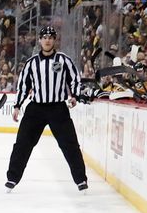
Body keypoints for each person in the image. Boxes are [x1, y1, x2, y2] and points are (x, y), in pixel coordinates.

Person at [6, 26, 87, 192]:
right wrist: (17, 105)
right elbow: (23, 86)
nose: (47, 40)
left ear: (54, 40)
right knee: (22, 144)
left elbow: (75, 80)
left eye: (50, 37)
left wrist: (75, 96)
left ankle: (81, 180)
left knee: (70, 145)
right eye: (44, 37)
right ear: (40, 40)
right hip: (36, 109)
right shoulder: (31, 63)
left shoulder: (64, 60)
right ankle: (12, 178)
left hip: (58, 108)